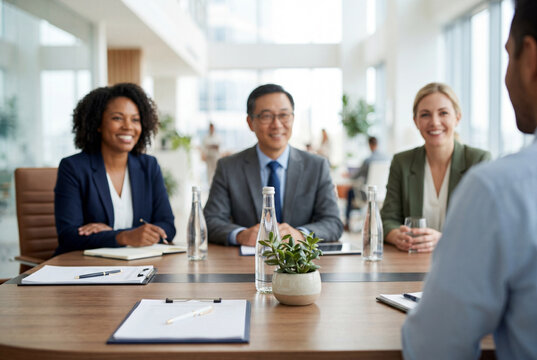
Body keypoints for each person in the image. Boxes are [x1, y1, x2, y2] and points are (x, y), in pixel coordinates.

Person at [403, 1, 537, 357]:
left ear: (530, 58)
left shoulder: (499, 188)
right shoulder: (407, 162)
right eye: (425, 114)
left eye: (508, 56)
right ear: (415, 120)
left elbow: (435, 345)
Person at [204, 84, 343, 246]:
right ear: (250, 122)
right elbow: (211, 220)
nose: (277, 124)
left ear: (293, 119)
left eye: (284, 115)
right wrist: (240, 235)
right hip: (248, 264)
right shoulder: (228, 167)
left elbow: (333, 223)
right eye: (266, 116)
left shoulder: (317, 166)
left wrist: (300, 234)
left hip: (302, 267)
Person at [54, 83, 176, 255]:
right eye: (118, 118)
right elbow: (69, 236)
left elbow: (167, 226)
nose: (128, 126)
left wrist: (114, 234)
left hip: (139, 265)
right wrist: (124, 237)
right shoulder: (74, 168)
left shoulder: (149, 166)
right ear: (98, 123)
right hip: (85, 269)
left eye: (135, 119)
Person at [380, 82, 490, 253]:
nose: (434, 122)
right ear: (416, 121)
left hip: (463, 262)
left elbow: (486, 224)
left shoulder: (478, 160)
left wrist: (444, 239)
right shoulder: (402, 162)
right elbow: (387, 219)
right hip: (411, 264)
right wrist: (396, 236)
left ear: (457, 117)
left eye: (443, 113)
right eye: (425, 115)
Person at [345, 136, 388, 227]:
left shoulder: (368, 160)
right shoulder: (387, 158)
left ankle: (347, 223)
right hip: (383, 193)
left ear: (369, 145)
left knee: (349, 192)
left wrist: (349, 175)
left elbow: (356, 176)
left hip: (368, 193)